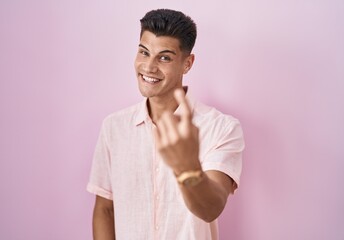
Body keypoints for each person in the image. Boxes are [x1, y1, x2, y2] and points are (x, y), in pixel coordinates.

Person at [87, 9, 244, 240]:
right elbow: (105, 209)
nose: (149, 67)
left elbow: (211, 209)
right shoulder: (114, 127)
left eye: (165, 57)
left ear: (187, 63)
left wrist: (187, 168)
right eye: (144, 52)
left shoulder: (222, 128)